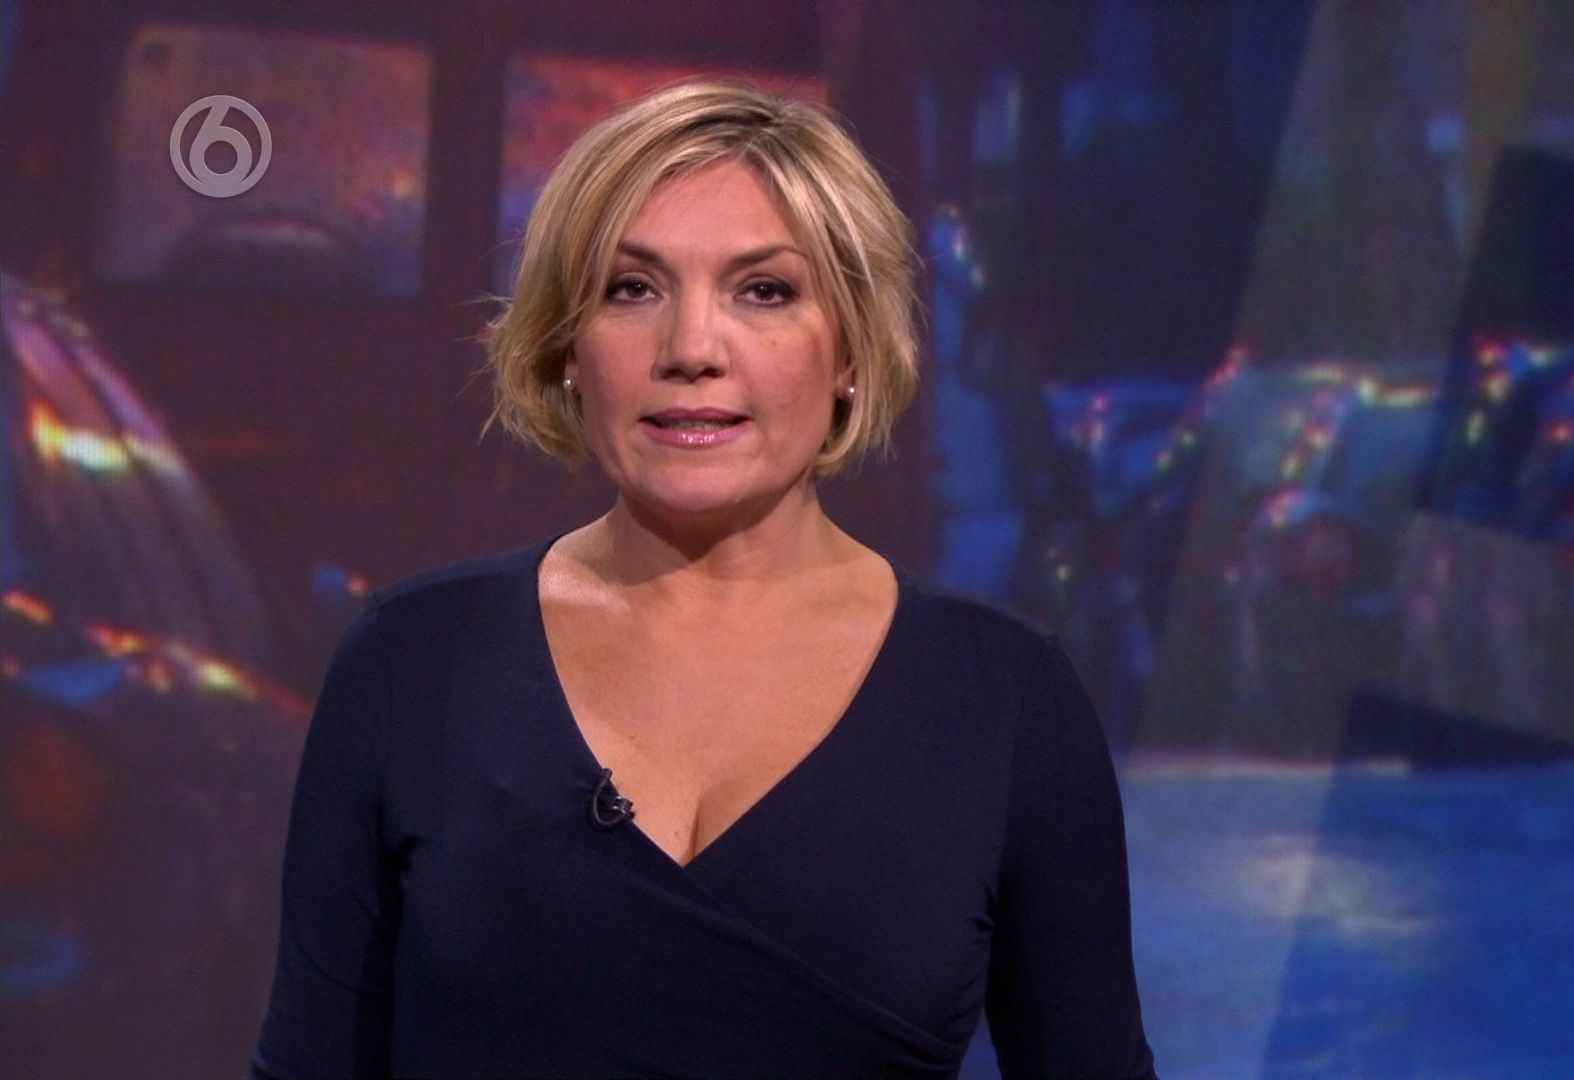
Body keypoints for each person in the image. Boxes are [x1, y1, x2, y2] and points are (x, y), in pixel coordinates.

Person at [249, 79, 1155, 1079]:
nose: (690, 350)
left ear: (851, 351)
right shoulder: (413, 661)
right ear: (566, 347)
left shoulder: (1004, 699)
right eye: (631, 290)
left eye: (763, 292)